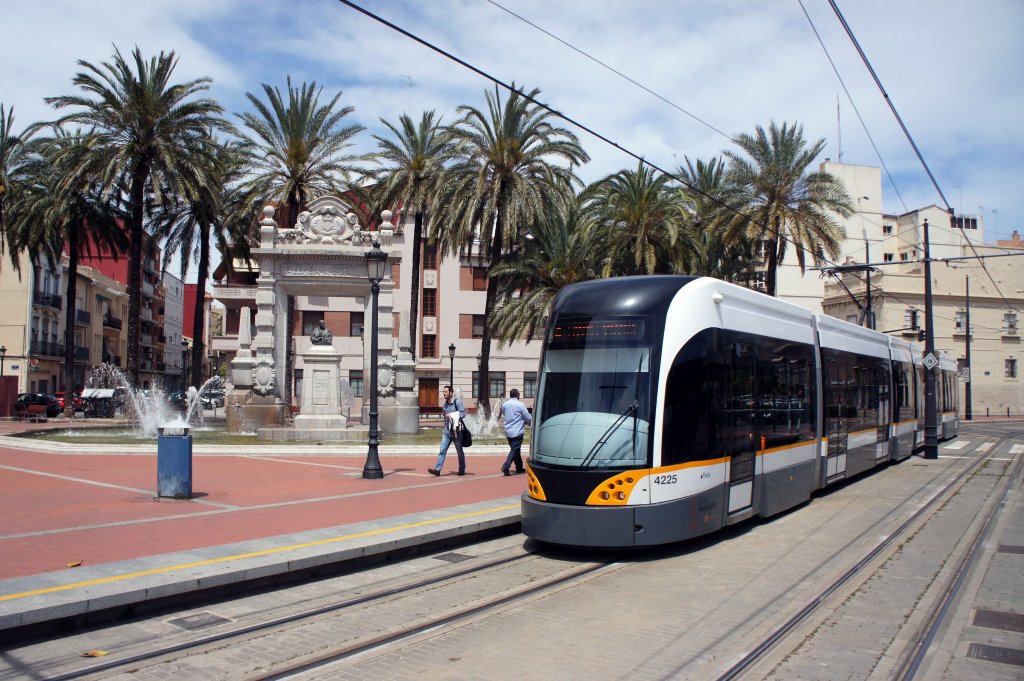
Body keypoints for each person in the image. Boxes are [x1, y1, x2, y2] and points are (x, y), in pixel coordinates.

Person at [428, 385, 467, 476]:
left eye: (446, 392)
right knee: (442, 450)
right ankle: (437, 469)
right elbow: (445, 416)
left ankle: (462, 469)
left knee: (459, 451)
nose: (444, 393)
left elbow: (463, 414)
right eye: (443, 392)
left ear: (451, 392)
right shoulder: (444, 404)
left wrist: (452, 415)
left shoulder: (457, 402)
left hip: (456, 431)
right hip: (447, 431)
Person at [500, 388, 532, 475]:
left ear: (510, 395)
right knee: (515, 450)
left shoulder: (505, 404)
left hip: (508, 431)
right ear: (518, 395)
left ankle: (519, 468)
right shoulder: (520, 405)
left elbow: (503, 414)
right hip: (517, 431)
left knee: (516, 450)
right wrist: (531, 423)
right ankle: (506, 466)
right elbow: (528, 418)